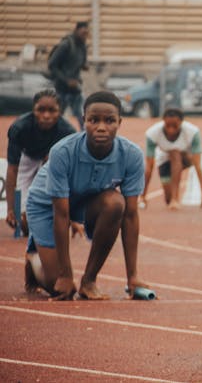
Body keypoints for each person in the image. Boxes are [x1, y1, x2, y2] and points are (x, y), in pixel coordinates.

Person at [24, 91, 148, 300]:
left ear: (119, 122)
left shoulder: (132, 155)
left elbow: (131, 215)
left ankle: (89, 281)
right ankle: (34, 262)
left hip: (87, 198)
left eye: (109, 121)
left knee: (116, 204)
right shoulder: (62, 152)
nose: (101, 127)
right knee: (59, 287)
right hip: (47, 204)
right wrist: (65, 274)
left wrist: (133, 276)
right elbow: (61, 214)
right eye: (93, 120)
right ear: (84, 121)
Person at [5, 90, 76, 239]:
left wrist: (72, 213)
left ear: (60, 111)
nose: (46, 116)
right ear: (33, 109)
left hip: (52, 163)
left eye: (52, 110)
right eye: (41, 110)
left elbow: (71, 174)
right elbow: (12, 169)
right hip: (27, 160)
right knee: (25, 224)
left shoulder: (68, 132)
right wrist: (11, 209)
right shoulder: (19, 128)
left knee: (59, 219)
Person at [141, 108, 202, 211]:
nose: (171, 130)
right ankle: (171, 199)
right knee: (167, 200)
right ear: (163, 121)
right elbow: (149, 167)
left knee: (175, 154)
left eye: (175, 126)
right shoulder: (152, 134)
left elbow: (197, 165)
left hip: (186, 158)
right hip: (164, 160)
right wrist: (143, 196)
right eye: (168, 126)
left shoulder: (192, 132)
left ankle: (175, 199)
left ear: (181, 123)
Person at [47, 21, 89, 129]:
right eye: (83, 32)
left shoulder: (83, 45)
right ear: (76, 30)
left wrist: (84, 66)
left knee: (80, 114)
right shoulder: (65, 45)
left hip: (75, 87)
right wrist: (66, 80)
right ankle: (52, 134)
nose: (85, 35)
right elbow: (52, 65)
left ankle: (86, 136)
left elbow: (81, 63)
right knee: (58, 114)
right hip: (62, 88)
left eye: (86, 33)